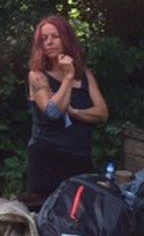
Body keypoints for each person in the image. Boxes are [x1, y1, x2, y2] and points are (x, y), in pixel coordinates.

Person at [26, 15, 108, 196]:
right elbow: (53, 112)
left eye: (54, 36)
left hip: (79, 157)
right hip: (47, 159)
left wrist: (74, 111)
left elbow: (102, 113)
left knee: (80, 212)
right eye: (44, 39)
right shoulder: (37, 76)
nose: (49, 42)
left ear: (66, 38)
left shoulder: (85, 75)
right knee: (45, 214)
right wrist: (68, 77)